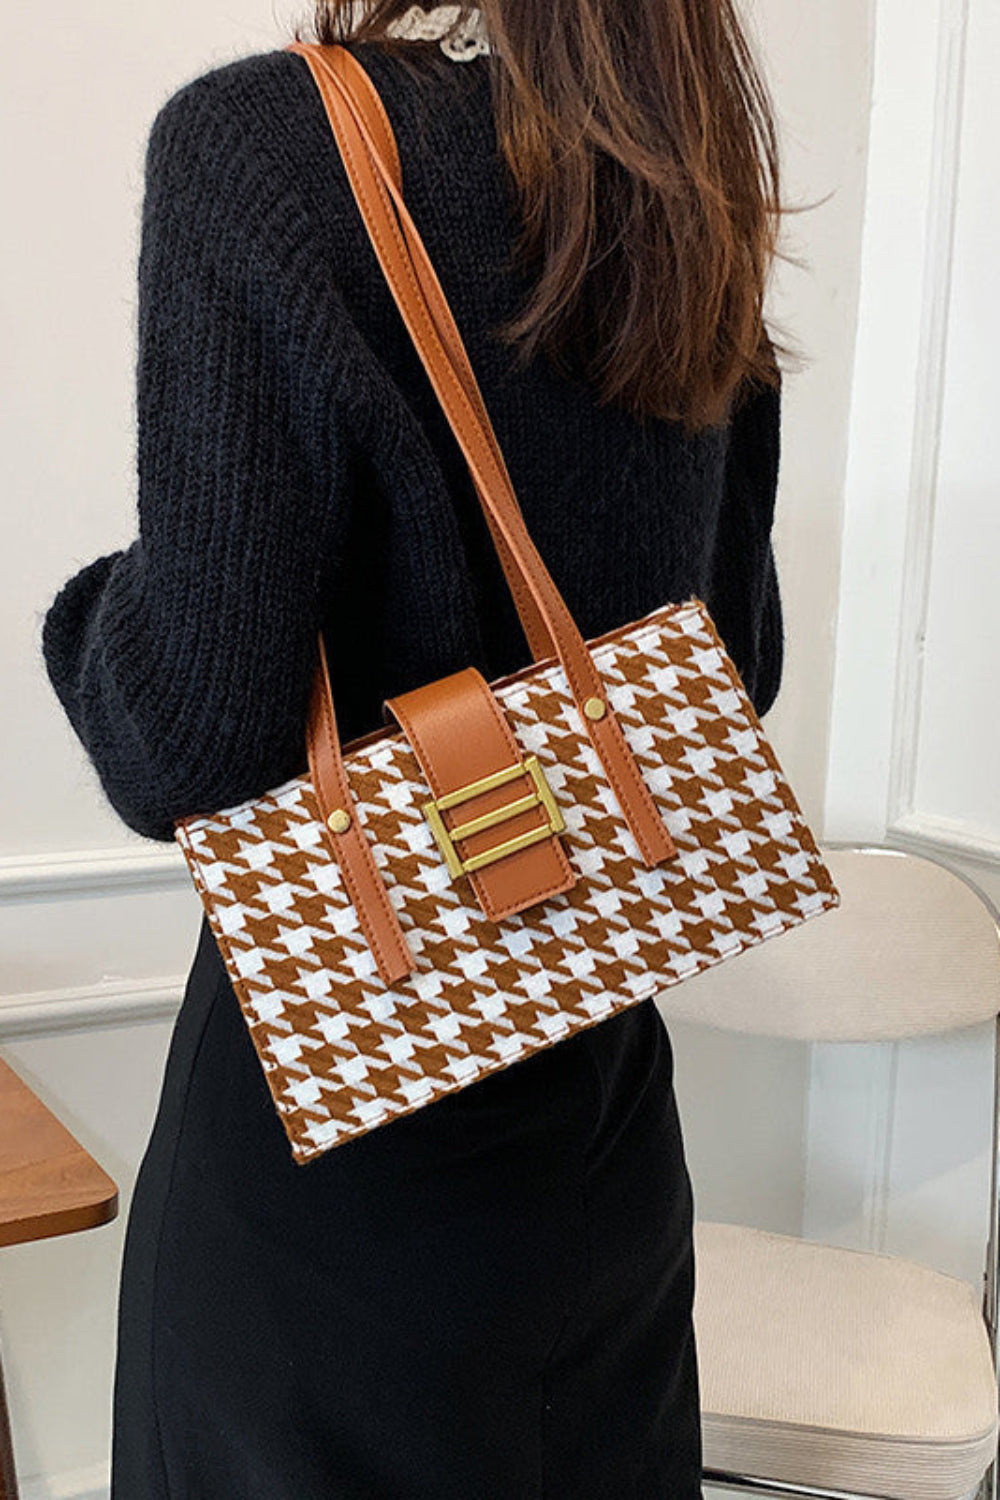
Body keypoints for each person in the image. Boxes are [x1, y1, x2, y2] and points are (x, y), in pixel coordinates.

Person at [40, 2, 790, 1495]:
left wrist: (90, 617)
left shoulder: (262, 147)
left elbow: (191, 739)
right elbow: (734, 664)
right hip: (600, 1141)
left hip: (337, 1131)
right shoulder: (676, 162)